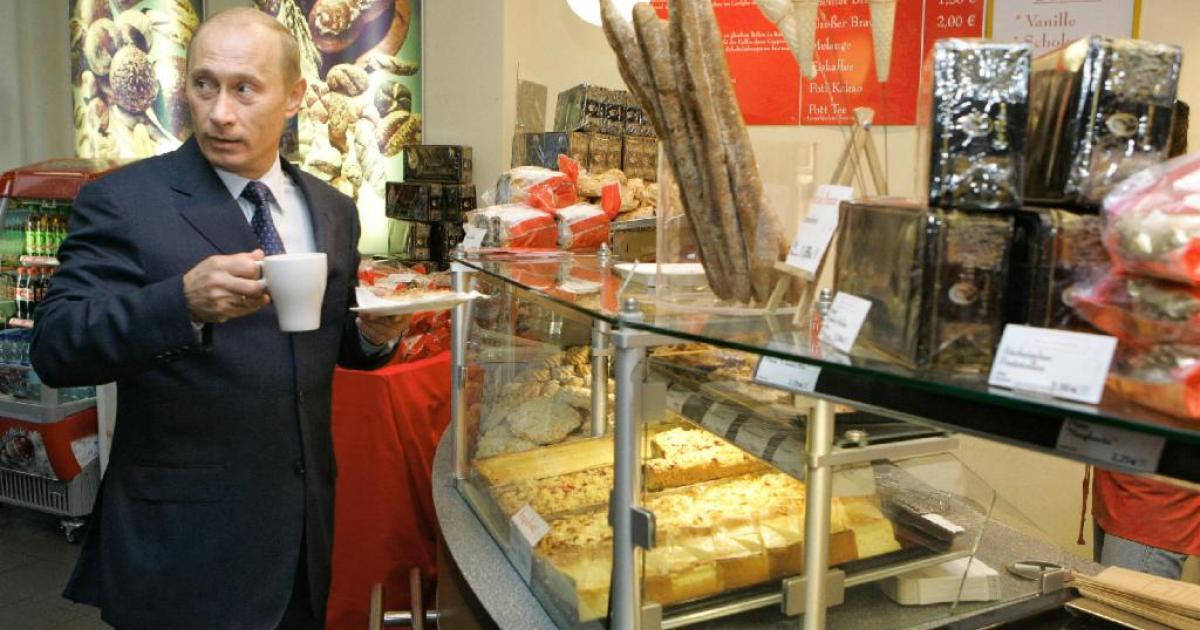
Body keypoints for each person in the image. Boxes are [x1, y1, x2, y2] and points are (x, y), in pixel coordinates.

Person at [30, 8, 408, 629]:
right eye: (204, 85)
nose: (220, 113)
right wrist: (178, 303)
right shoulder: (125, 201)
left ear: (294, 97)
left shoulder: (333, 209)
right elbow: (56, 345)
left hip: (302, 538)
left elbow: (316, 343)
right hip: (181, 549)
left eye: (245, 89)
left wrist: (368, 337)